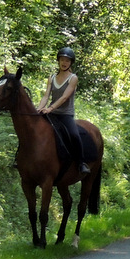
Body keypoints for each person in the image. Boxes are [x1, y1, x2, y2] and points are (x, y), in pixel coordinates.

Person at [37, 47, 90, 175]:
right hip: (51, 113)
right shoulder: (52, 77)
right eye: (62, 59)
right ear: (58, 61)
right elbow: (46, 96)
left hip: (65, 114)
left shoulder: (73, 78)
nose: (64, 62)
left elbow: (65, 97)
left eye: (67, 60)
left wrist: (50, 108)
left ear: (71, 63)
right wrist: (39, 109)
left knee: (74, 135)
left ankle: (81, 163)